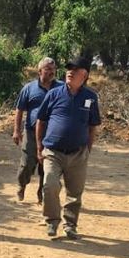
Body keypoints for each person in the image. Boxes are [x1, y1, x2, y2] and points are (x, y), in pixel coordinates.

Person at [35, 56, 101, 239]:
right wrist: (39, 147)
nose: (70, 72)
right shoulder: (53, 94)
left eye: (75, 69)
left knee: (74, 193)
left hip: (78, 153)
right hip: (53, 151)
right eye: (69, 69)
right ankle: (51, 221)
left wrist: (87, 149)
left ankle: (70, 225)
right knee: (49, 185)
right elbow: (41, 121)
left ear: (84, 75)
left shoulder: (90, 97)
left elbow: (92, 126)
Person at [13, 57, 61, 203]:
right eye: (48, 69)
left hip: (52, 134)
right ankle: (21, 184)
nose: (51, 72)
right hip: (31, 133)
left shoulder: (61, 88)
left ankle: (42, 193)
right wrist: (16, 131)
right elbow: (19, 110)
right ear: (40, 71)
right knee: (27, 163)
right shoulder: (29, 88)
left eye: (53, 69)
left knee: (47, 166)